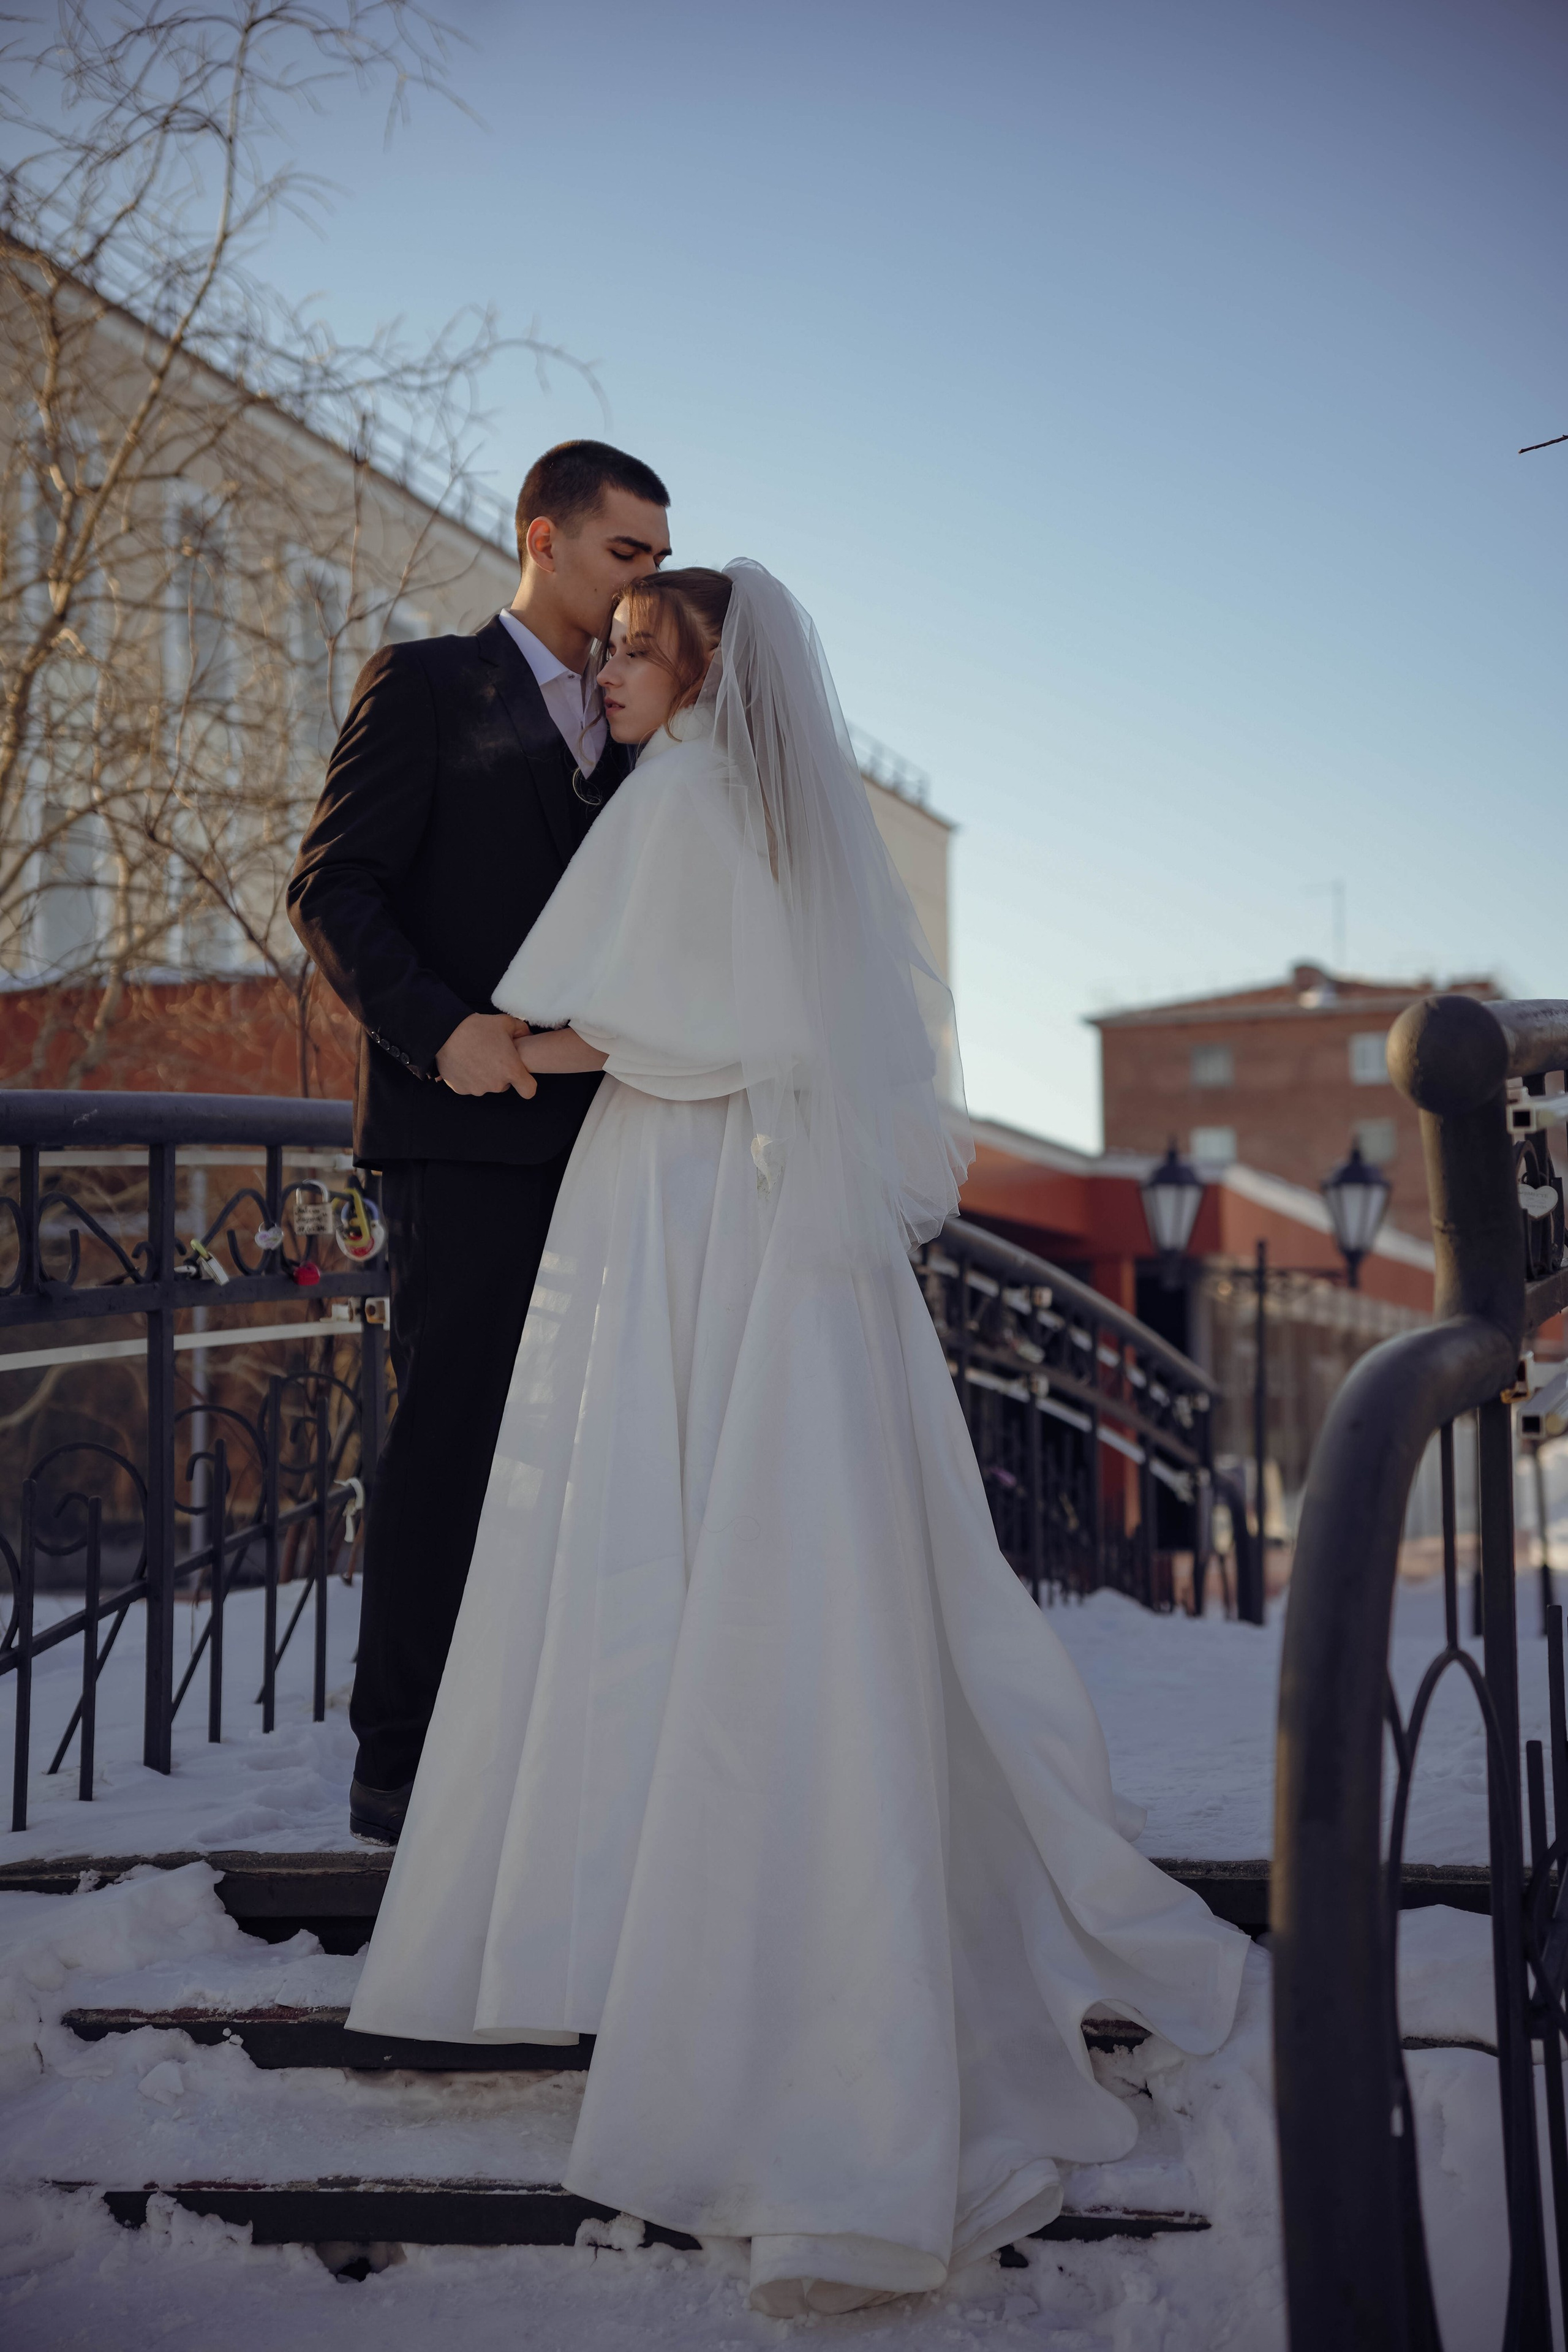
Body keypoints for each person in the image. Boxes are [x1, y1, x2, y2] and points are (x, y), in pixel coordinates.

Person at [346, 560, 1248, 2315]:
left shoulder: (681, 800)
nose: (607, 672)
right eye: (602, 646)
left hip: (684, 1195)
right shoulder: (743, 799)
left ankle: (648, 1908)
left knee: (662, 1508)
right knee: (752, 1527)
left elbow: (667, 1022)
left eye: (633, 650)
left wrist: (507, 1046)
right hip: (741, 1198)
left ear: (700, 670)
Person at [287, 440, 671, 1845]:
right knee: (454, 1438)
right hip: (463, 1137)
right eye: (625, 553)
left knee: (602, 1449)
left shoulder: (651, 722)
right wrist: (438, 1030)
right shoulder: (428, 684)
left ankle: (558, 1738)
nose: (646, 582)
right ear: (542, 537)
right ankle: (399, 1759)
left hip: (622, 1140)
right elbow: (333, 883)